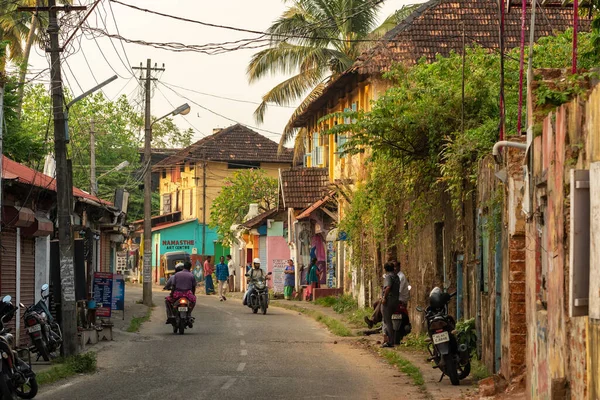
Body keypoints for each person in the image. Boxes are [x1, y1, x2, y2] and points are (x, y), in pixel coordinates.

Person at [381, 262, 400, 347]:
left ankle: (390, 341)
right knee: (388, 321)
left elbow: (388, 287)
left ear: (385, 269)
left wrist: (384, 297)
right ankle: (388, 338)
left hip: (389, 300)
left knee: (387, 321)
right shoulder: (397, 277)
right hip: (395, 300)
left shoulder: (388, 276)